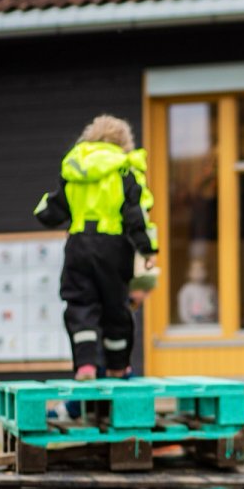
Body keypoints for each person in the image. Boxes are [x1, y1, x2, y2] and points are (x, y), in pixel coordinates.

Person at [34, 114, 159, 380]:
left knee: (80, 304)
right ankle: (116, 366)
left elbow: (53, 210)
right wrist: (148, 249)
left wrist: (41, 210)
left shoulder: (75, 169)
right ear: (124, 141)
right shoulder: (125, 169)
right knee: (116, 307)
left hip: (78, 244)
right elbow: (136, 214)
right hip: (114, 247)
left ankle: (86, 364)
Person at [177, 257, 218, 324]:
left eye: (201, 269)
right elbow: (183, 312)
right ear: (189, 272)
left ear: (207, 271)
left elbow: (216, 307)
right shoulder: (185, 290)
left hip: (210, 326)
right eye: (195, 270)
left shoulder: (210, 289)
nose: (198, 272)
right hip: (191, 329)